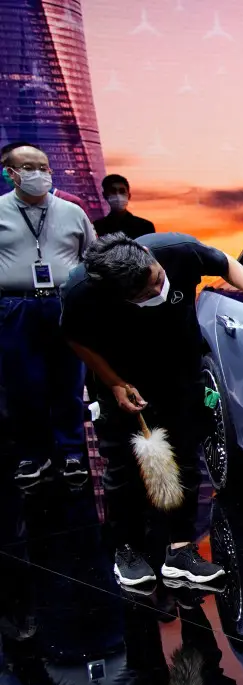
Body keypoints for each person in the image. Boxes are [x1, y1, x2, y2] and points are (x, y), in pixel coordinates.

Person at [60, 232, 243, 588]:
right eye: (144, 294)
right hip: (124, 378)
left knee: (187, 457)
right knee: (124, 468)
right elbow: (74, 338)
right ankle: (126, 550)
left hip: (180, 369)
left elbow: (227, 263)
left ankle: (181, 550)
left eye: (157, 279)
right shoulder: (82, 291)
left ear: (147, 255)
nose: (157, 291)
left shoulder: (176, 251)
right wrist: (112, 381)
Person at [0, 142, 94, 489]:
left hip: (63, 305)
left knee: (69, 383)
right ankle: (32, 456)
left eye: (44, 167)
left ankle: (72, 454)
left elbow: (91, 256)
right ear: (10, 173)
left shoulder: (71, 211)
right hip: (15, 307)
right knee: (24, 386)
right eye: (29, 168)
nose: (39, 174)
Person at [0, 142, 90, 213]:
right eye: (4, 166)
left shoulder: (71, 204)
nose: (37, 173)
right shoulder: (3, 206)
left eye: (42, 168)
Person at [93, 174, 155, 240]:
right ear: (105, 195)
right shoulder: (97, 227)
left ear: (129, 195)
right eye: (113, 191)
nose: (118, 195)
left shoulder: (145, 227)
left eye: (122, 191)